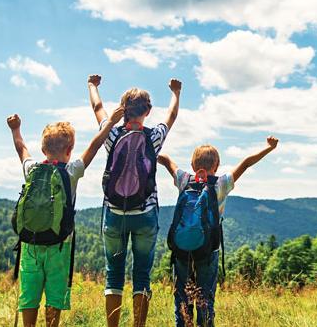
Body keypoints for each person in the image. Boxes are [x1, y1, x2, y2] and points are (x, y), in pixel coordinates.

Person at [6, 103, 123, 327]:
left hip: (30, 244)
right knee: (54, 295)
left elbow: (21, 149)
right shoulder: (71, 171)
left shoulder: (32, 169)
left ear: (43, 150)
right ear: (69, 151)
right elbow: (95, 145)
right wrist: (111, 123)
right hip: (60, 245)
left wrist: (15, 129)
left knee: (29, 294)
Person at [87, 74, 182, 327]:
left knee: (113, 275)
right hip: (145, 214)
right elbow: (171, 117)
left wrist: (93, 86)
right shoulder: (154, 137)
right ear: (147, 111)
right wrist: (176, 92)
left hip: (114, 213)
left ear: (123, 109)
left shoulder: (111, 134)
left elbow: (97, 108)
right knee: (142, 275)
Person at [158, 136, 279, 326]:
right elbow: (246, 163)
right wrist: (269, 148)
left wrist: (149, 147)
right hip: (208, 251)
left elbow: (166, 160)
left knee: (182, 298)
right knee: (205, 299)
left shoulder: (183, 180)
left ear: (192, 164)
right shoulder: (221, 184)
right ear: (217, 164)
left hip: (181, 250)